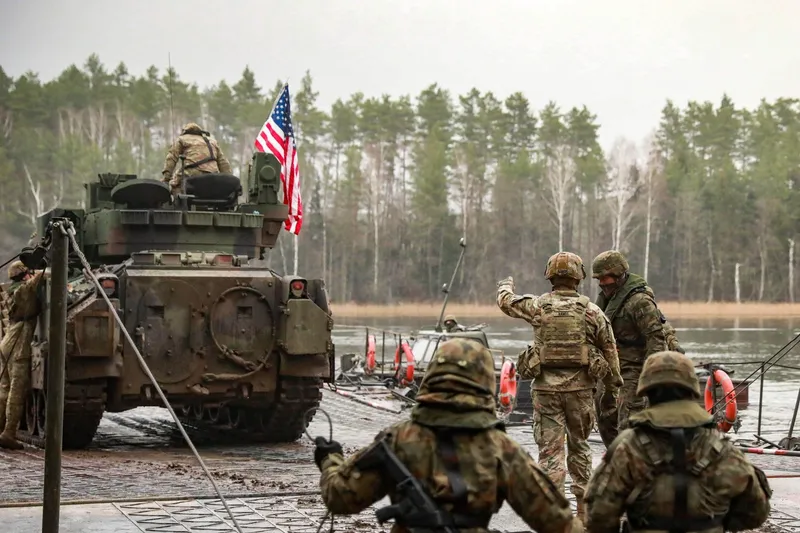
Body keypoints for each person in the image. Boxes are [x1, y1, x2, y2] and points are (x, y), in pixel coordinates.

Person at [315, 338, 581, 533]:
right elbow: (558, 523)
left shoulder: (398, 438)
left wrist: (330, 459)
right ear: (484, 381)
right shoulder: (501, 448)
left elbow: (340, 497)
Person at [583, 350, 772, 533]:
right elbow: (756, 513)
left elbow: (598, 515)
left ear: (647, 392)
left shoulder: (628, 446)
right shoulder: (722, 448)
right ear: (692, 390)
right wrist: (718, 523)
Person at [496, 252, 622, 523]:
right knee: (580, 447)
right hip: (581, 393)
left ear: (550, 276)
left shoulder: (538, 306)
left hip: (546, 393)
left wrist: (505, 285)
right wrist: (612, 390)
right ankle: (584, 516)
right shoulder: (592, 311)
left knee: (550, 454)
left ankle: (553, 520)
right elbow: (610, 352)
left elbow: (505, 302)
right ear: (579, 277)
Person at [590, 250, 667, 446]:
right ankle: (617, 460)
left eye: (604, 278)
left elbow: (656, 338)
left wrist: (652, 376)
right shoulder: (607, 299)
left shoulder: (640, 302)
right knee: (605, 418)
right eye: (598, 278)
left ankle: (633, 464)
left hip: (633, 370)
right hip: (609, 370)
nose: (601, 283)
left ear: (618, 275)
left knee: (629, 421)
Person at [0, 261, 44, 450]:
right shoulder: (21, 291)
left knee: (4, 390)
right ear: (24, 274)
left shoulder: (11, 289)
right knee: (16, 392)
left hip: (8, 342)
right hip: (18, 345)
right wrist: (44, 269)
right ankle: (9, 433)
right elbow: (33, 283)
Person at [161, 122, 233, 194]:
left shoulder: (182, 139)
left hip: (191, 176)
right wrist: (228, 182)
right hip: (212, 177)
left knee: (176, 187)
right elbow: (223, 163)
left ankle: (179, 204)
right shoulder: (212, 142)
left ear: (185, 131)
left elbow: (171, 158)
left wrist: (166, 179)